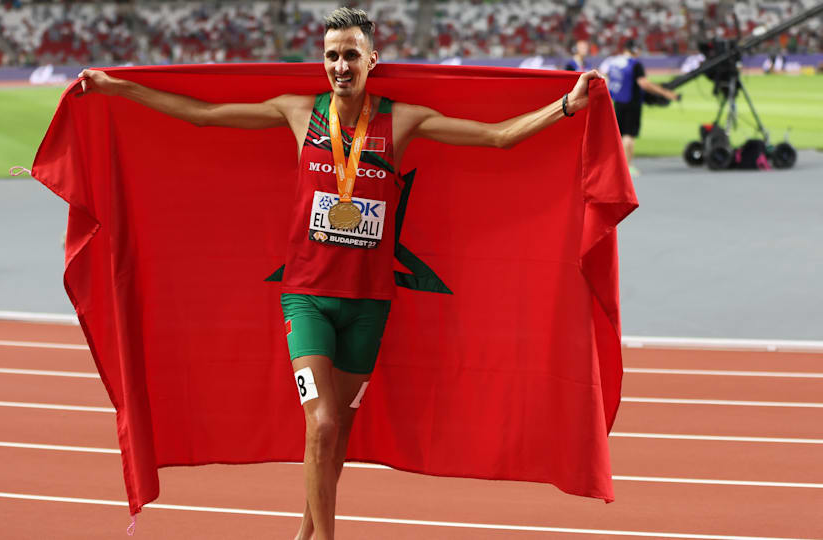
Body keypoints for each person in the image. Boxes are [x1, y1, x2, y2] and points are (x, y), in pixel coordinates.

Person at [78, 7, 601, 540]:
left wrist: (566, 105)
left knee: (338, 433)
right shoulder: (298, 111)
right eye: (332, 55)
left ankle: (306, 534)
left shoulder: (402, 120)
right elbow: (205, 115)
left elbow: (496, 137)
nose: (341, 65)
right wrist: (118, 88)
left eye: (351, 54)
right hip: (306, 297)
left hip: (368, 306)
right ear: (321, 62)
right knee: (322, 423)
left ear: (373, 59)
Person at [601, 38, 679, 177]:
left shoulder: (613, 63)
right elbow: (643, 83)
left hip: (618, 101)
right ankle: (628, 166)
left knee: (619, 134)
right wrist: (665, 93)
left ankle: (616, 165)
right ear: (634, 49)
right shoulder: (635, 64)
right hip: (632, 102)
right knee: (629, 136)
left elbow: (606, 79)